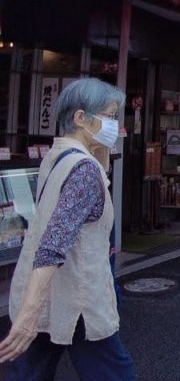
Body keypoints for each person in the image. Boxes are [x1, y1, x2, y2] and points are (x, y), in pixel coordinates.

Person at [0, 78, 136, 379]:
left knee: (28, 371)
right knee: (114, 372)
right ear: (80, 118)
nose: (115, 124)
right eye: (110, 116)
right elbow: (55, 240)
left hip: (53, 293)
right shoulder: (84, 171)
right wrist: (28, 314)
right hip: (79, 298)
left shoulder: (57, 157)